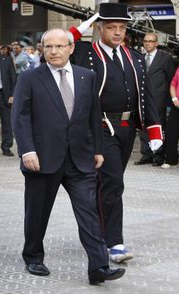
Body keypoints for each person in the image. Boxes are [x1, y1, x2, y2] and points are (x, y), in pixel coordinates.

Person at [12, 28, 125, 285]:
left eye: (59, 46)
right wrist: (27, 150)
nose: (53, 51)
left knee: (89, 213)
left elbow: (93, 116)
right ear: (42, 49)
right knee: (37, 212)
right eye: (48, 46)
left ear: (71, 48)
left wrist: (97, 148)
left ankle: (99, 267)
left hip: (80, 158)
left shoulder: (88, 76)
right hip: (42, 158)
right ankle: (33, 256)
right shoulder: (30, 78)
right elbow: (20, 117)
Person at [69, 3, 163, 263]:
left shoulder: (134, 57)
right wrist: (83, 26)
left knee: (105, 184)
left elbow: (147, 96)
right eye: (111, 27)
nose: (118, 32)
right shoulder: (87, 53)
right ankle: (114, 242)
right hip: (99, 128)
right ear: (100, 29)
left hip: (127, 128)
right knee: (113, 184)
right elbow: (61, 46)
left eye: (122, 27)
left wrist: (154, 130)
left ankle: (93, 232)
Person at [134, 32, 175, 166]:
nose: (147, 43)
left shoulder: (165, 58)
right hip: (142, 98)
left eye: (150, 41)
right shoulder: (139, 58)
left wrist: (169, 100)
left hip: (159, 99)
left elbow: (171, 79)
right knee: (143, 127)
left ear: (156, 43)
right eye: (145, 41)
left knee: (158, 126)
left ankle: (158, 156)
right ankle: (146, 155)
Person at [163, 67, 179, 168]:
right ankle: (171, 160)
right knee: (171, 132)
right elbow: (173, 85)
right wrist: (174, 99)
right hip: (177, 106)